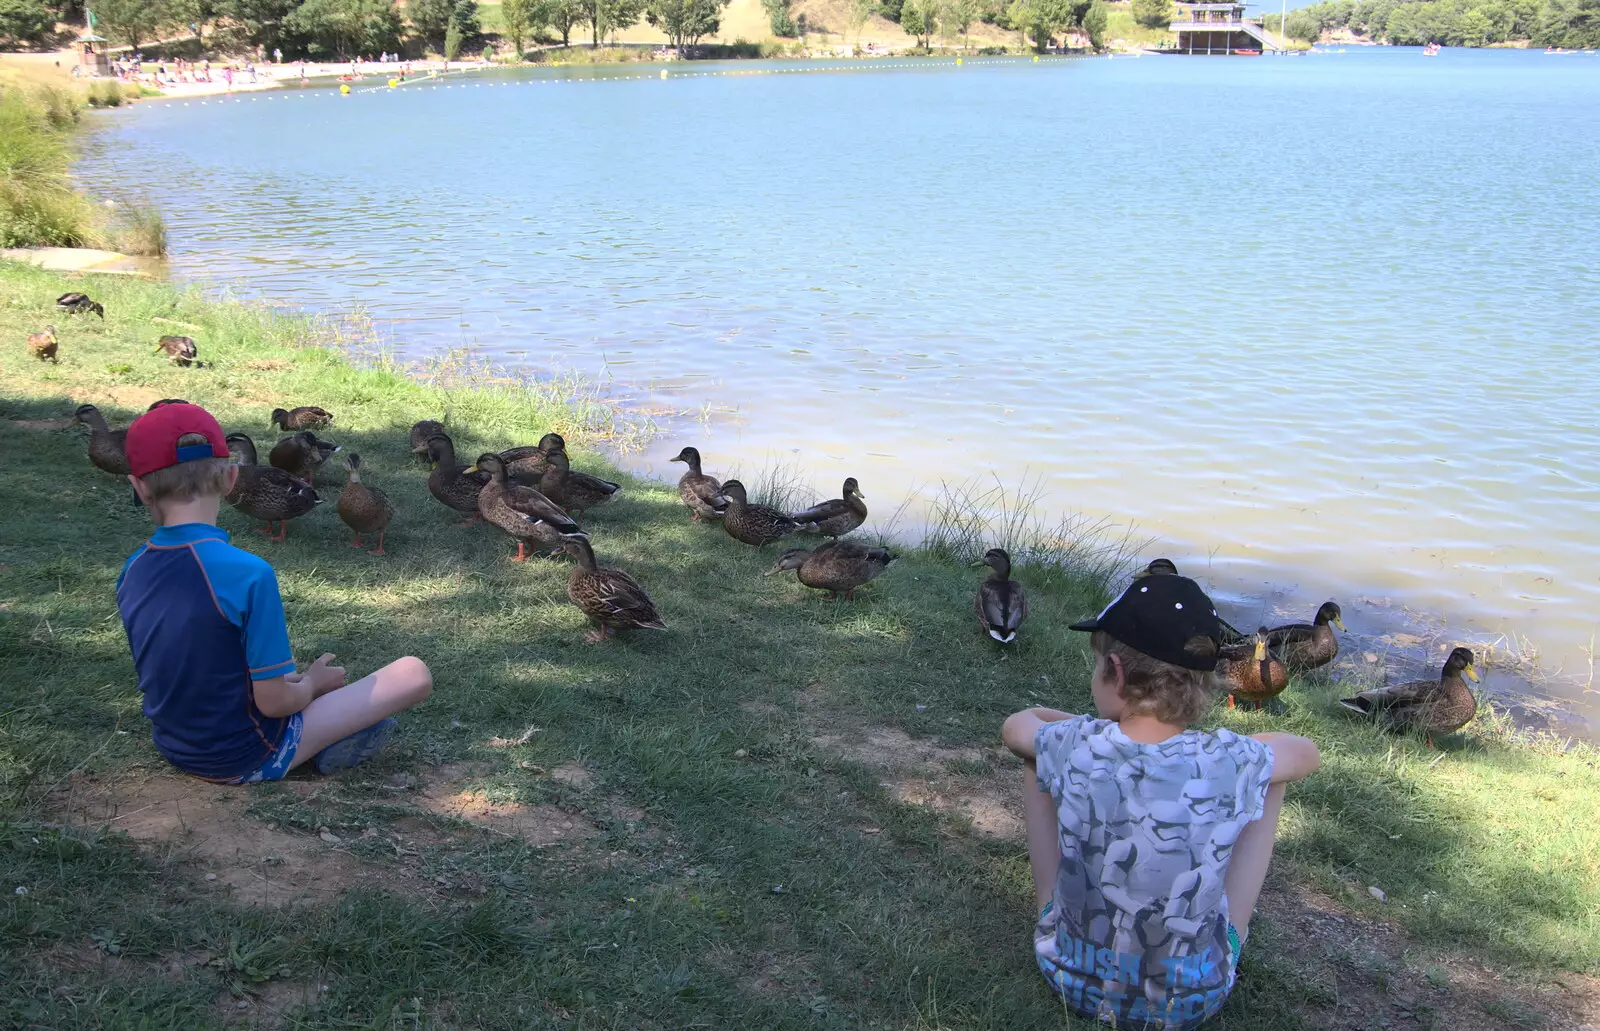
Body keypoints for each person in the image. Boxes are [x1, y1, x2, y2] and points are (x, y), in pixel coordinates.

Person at [1002, 573, 1320, 1030]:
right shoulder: (1227, 759)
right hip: (1190, 1001)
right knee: (1268, 776)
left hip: (1069, 978)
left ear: (1116, 669)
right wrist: (1239, 751)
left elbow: (1019, 727)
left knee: (1037, 756)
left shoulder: (1077, 744)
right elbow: (1303, 752)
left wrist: (1094, 731)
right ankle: (1230, 938)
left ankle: (1055, 924)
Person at [116, 402, 433, 785]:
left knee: (293, 683)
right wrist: (312, 684)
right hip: (245, 755)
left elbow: (198, 664)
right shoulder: (248, 574)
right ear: (231, 477)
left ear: (139, 486)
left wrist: (297, 683)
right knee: (413, 673)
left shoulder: (132, 570)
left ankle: (324, 737)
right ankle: (313, 749)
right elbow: (275, 703)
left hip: (175, 746)